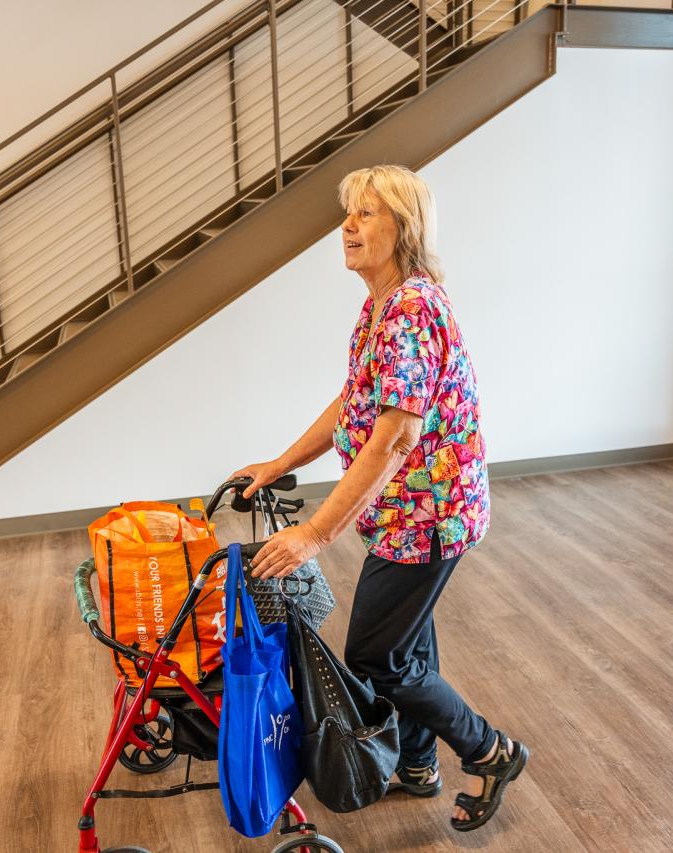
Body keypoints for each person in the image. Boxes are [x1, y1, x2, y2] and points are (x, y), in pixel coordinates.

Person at [234, 164, 528, 832]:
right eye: (349, 213)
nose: (348, 225)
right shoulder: (381, 306)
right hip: (402, 513)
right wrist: (282, 461)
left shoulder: (413, 307)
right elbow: (355, 400)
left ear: (405, 226)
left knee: (376, 656)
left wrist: (314, 533)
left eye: (366, 213)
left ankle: (490, 750)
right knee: (405, 644)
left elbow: (396, 436)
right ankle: (419, 763)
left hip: (431, 514)